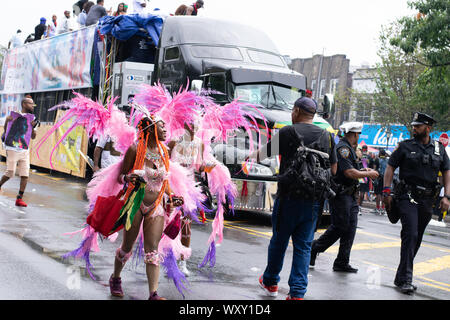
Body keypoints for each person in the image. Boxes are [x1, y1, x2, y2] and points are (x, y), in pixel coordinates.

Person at [254, 97, 337, 300]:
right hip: (313, 202)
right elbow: (333, 169)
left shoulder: (288, 132)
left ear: (297, 111)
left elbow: (260, 156)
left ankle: (271, 281)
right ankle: (297, 293)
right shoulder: (326, 136)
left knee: (279, 241)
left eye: (293, 110)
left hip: (288, 197)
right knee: (303, 246)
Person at [109, 116, 184, 300]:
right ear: (150, 130)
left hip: (156, 206)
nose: (166, 129)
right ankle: (116, 278)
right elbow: (120, 177)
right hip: (135, 203)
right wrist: (127, 178)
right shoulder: (135, 149)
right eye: (161, 126)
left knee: (152, 251)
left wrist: (172, 196)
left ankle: (153, 294)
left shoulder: (164, 152)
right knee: (127, 247)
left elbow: (165, 182)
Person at [383, 112, 449, 295]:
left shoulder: (439, 149)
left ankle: (400, 274)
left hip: (428, 199)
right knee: (410, 233)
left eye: (418, 126)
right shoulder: (405, 146)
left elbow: (447, 171)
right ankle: (406, 279)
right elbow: (390, 167)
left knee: (417, 237)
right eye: (413, 126)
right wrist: (386, 191)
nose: (414, 128)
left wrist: (447, 196)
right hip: (407, 196)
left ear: (428, 128)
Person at [310, 122, 379, 273]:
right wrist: (369, 173)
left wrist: (363, 169)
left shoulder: (351, 149)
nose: (358, 137)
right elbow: (349, 172)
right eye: (358, 135)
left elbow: (353, 169)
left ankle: (342, 261)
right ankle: (315, 247)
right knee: (340, 226)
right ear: (354, 134)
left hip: (351, 194)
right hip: (341, 194)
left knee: (350, 229)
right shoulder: (343, 149)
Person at [168, 122, 212, 276]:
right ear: (185, 124)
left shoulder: (199, 143)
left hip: (189, 188)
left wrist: (207, 167)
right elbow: (164, 162)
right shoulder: (174, 140)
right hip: (173, 188)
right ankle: (169, 260)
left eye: (196, 123)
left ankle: (182, 262)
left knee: (186, 225)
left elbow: (198, 167)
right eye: (191, 123)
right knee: (169, 224)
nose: (194, 126)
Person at [0, 97, 38, 207]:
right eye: (31, 104)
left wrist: (33, 127)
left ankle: (19, 198)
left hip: (24, 149)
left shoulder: (33, 119)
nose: (32, 106)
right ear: (24, 104)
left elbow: (33, 137)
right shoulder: (14, 115)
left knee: (25, 174)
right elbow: (6, 132)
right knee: (10, 172)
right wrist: (7, 121)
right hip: (12, 148)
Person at [373, 149, 388, 215]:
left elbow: (374, 169)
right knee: (383, 193)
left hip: (378, 177)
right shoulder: (387, 160)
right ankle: (383, 208)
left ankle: (378, 207)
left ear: (379, 153)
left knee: (378, 193)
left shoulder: (377, 159)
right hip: (385, 178)